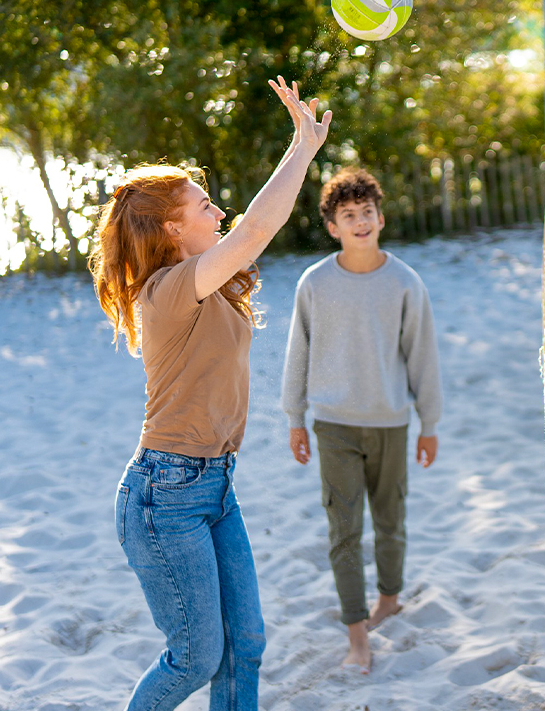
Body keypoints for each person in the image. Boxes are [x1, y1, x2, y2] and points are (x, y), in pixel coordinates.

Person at [90, 77, 332, 709]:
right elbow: (254, 230)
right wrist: (303, 147)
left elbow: (247, 234)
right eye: (205, 206)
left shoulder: (209, 284)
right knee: (195, 658)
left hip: (214, 485)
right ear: (173, 228)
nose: (219, 213)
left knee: (243, 644)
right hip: (164, 495)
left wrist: (303, 147)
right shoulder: (167, 292)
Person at [281, 167, 442, 674]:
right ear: (333, 227)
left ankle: (389, 599)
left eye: (367, 212)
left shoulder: (405, 282)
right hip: (334, 426)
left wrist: (430, 423)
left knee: (391, 522)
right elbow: (297, 354)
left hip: (392, 423)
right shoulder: (314, 283)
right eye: (348, 215)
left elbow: (422, 357)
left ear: (381, 218)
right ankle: (356, 635)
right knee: (344, 531)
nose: (360, 222)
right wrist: (295, 418)